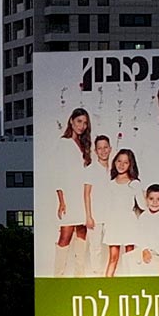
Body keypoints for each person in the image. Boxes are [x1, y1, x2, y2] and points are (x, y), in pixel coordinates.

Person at [53, 107, 94, 277]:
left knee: (82, 231)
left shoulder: (83, 144)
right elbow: (58, 173)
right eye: (79, 121)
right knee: (66, 234)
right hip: (69, 194)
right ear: (71, 121)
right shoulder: (64, 143)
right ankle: (58, 275)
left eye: (85, 123)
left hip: (83, 194)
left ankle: (79, 273)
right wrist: (62, 200)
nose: (82, 126)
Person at [101, 148, 143, 278]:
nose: (121, 165)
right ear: (114, 162)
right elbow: (107, 207)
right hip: (114, 224)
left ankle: (129, 286)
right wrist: (106, 225)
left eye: (126, 162)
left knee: (129, 256)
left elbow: (142, 206)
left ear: (131, 165)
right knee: (113, 257)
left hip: (129, 223)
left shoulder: (134, 183)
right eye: (119, 161)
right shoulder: (110, 184)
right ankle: (106, 285)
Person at [83, 133, 115, 275]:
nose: (103, 151)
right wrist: (89, 216)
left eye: (105, 147)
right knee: (95, 248)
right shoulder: (91, 169)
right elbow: (87, 194)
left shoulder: (115, 169)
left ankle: (109, 275)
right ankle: (97, 274)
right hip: (96, 216)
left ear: (110, 148)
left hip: (111, 215)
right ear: (95, 151)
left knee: (112, 246)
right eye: (100, 148)